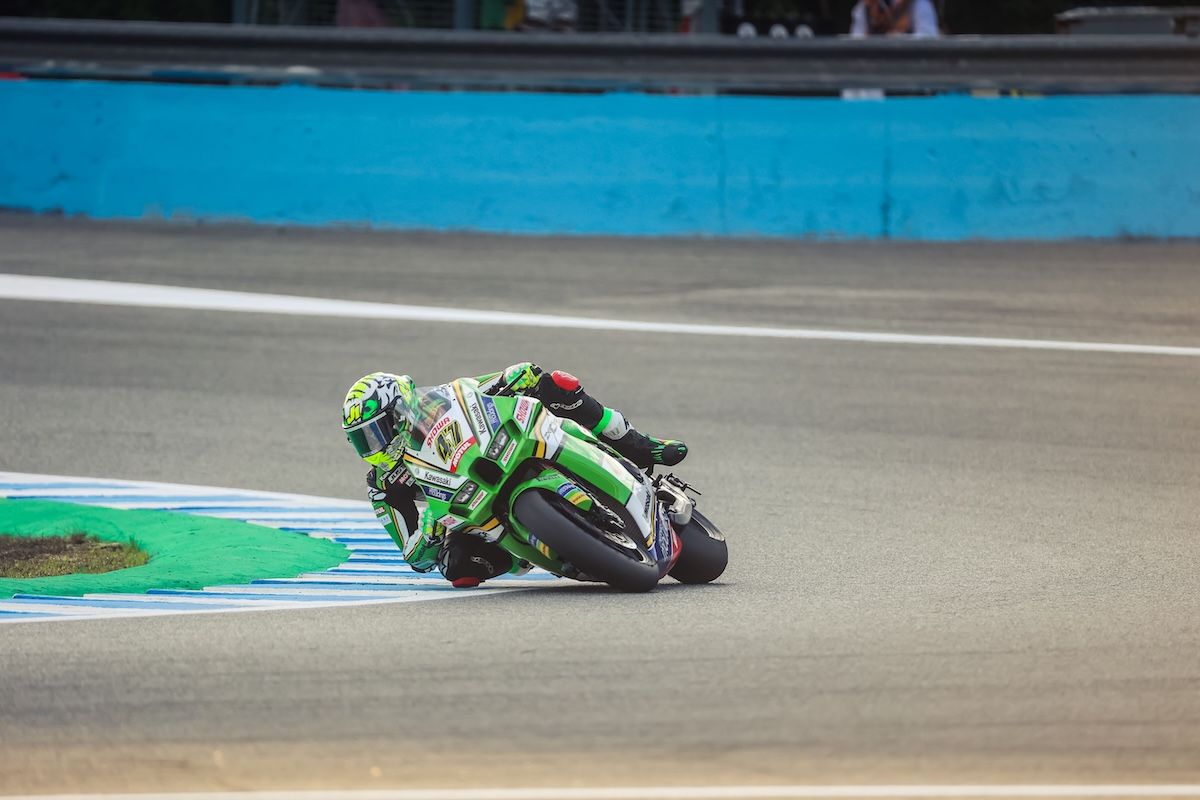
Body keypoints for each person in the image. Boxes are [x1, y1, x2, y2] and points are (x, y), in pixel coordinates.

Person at [341, 364, 688, 588]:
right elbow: (413, 555)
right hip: (465, 508)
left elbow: (490, 385)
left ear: (400, 410)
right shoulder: (383, 485)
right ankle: (531, 550)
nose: (373, 446)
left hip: (499, 449)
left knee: (555, 384)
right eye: (362, 440)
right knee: (457, 567)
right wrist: (429, 534)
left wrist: (513, 376)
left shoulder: (444, 396)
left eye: (376, 432)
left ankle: (638, 446)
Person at [850, 0, 939, 37]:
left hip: (908, 65)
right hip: (874, 65)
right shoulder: (864, 6)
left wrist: (897, 38)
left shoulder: (919, 4)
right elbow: (856, 42)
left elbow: (929, 42)